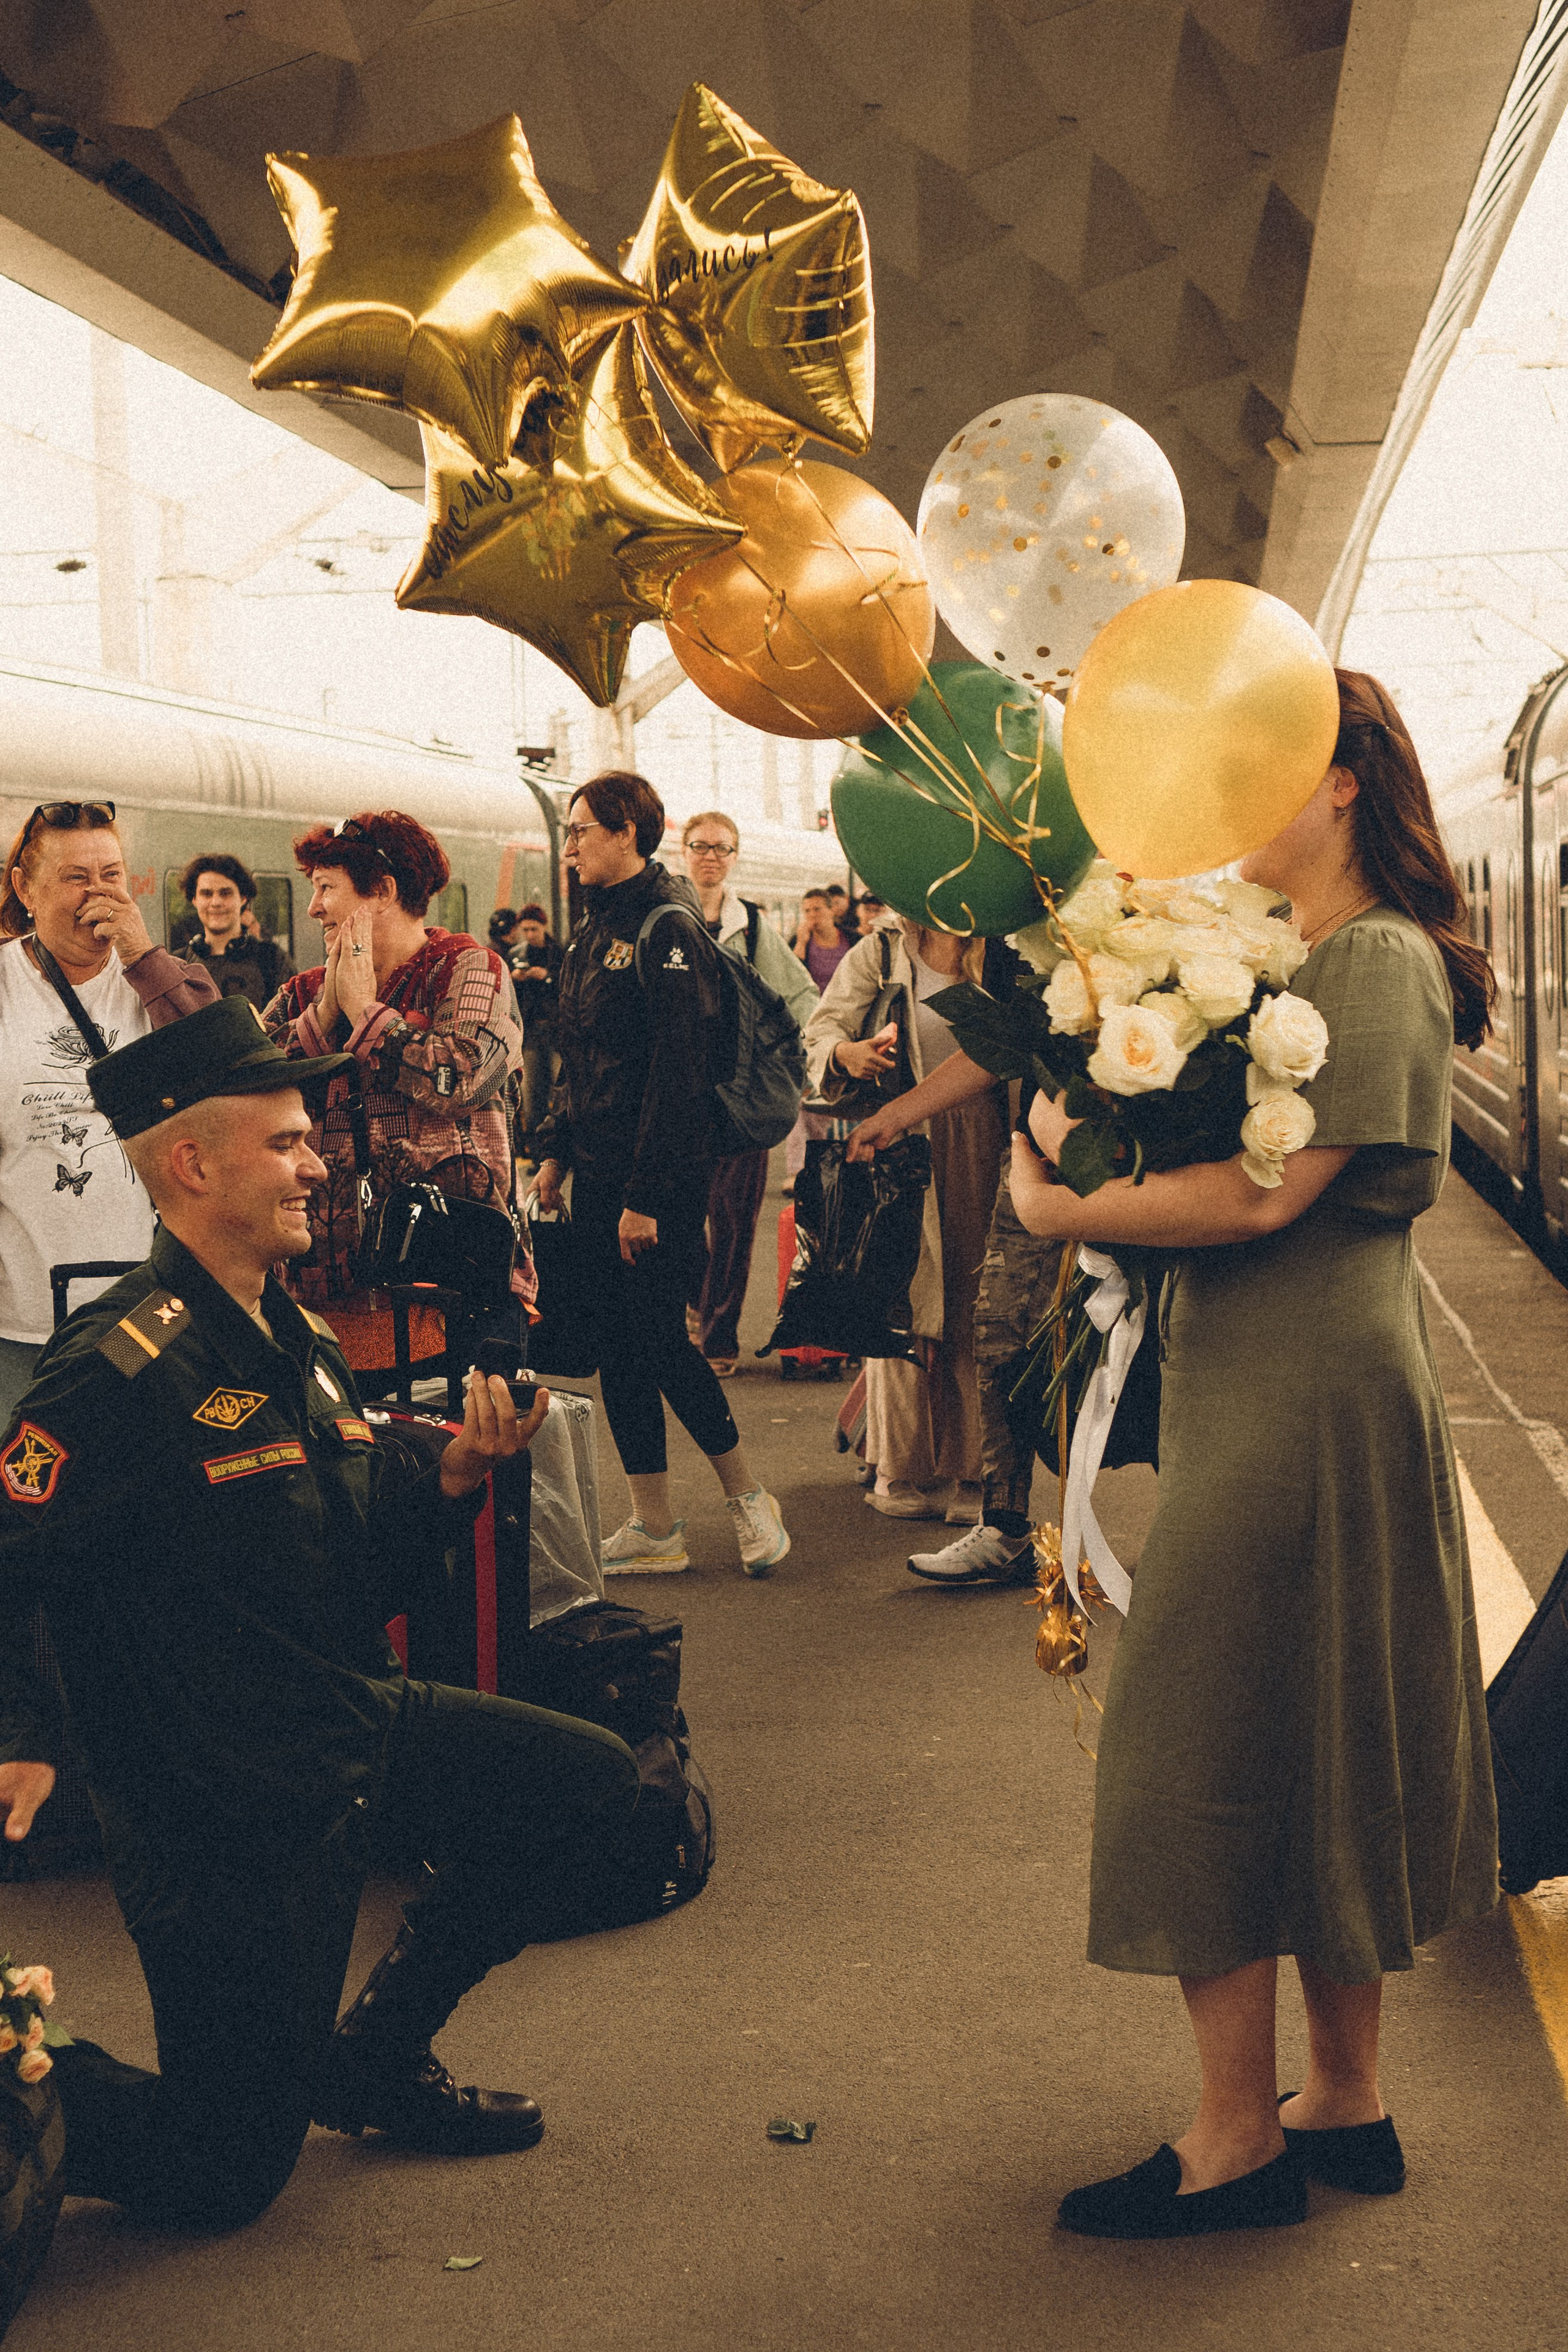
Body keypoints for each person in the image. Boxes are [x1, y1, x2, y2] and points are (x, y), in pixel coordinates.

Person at [0, 997, 639, 2232]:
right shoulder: (119, 1367)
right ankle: (27, 2066)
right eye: (288, 1143)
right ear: (193, 1164)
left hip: (342, 1727)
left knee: (588, 1787)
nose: (318, 1164)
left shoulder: (298, 1342)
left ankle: (374, 2057)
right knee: (220, 2177)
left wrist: (451, 1480)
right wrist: (20, 1729)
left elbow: (346, 1580)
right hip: (219, 1811)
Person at [1006, 670, 1498, 2239]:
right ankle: (1339, 2097)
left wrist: (1059, 1202)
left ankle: (1232, 2137)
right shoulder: (1315, 955)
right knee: (1320, 1720)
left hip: (1298, 1393)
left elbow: (1262, 1196)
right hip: (1294, 1383)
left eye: (1254, 770)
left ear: (1344, 782)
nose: (1221, 802)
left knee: (1200, 1738)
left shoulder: (1363, 961)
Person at [533, 771, 790, 1577]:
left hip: (661, 1182)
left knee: (661, 1342)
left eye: (581, 830)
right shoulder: (593, 927)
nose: (569, 844)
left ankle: (751, 1501)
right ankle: (653, 1525)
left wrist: (643, 1197)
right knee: (619, 1347)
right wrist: (554, 1150)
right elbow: (582, 1057)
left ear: (627, 834)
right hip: (603, 1175)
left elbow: (678, 1074)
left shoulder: (667, 929)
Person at [262, 811, 524, 1378]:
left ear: (382, 892)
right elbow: (245, 1094)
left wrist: (364, 1015)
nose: (314, 908)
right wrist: (325, 1012)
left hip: (451, 1292)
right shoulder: (303, 993)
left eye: (327, 888)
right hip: (320, 1304)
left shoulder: (471, 970)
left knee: (463, 1458)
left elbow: (459, 1079)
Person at [0, 801, 218, 1424]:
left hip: (151, 1313)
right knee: (28, 1497)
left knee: (130, 1489)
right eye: (75, 877)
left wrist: (142, 954)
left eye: (112, 875)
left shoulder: (164, 983)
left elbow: (221, 1078)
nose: (96, 894)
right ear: (25, 887)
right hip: (19, 1324)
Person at [805, 914, 1011, 1521]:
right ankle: (902, 1468)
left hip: (984, 1138)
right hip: (893, 1134)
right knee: (897, 1297)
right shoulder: (882, 950)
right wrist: (846, 1054)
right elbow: (821, 1032)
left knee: (978, 1300)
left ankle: (977, 1470)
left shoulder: (1005, 948)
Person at [848, 1045, 1063, 1582]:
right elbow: (994, 1046)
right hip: (1035, 1158)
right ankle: (1006, 1527)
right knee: (996, 1331)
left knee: (1161, 1345)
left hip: (1143, 1156)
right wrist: (897, 1114)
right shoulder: (1018, 960)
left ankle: (1192, 1532)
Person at [681, 813, 816, 1374]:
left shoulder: (755, 929)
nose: (711, 856)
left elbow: (802, 998)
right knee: (681, 1215)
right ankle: (693, 1305)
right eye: (700, 847)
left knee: (734, 1222)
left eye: (722, 848)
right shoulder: (667, 920)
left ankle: (718, 1335)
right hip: (679, 1095)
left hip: (741, 1102)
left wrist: (796, 1066)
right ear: (683, 853)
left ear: (735, 857)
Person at [178, 851, 294, 1010]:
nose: (216, 902)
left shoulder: (272, 960)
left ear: (243, 898)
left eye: (225, 893)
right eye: (207, 894)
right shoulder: (178, 965)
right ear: (194, 900)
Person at [511, 901, 564, 1164]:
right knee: (532, 1096)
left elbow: (568, 988)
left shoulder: (561, 953)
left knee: (560, 1092)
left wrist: (547, 976)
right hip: (531, 1034)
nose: (530, 935)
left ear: (544, 926)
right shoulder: (518, 954)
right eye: (525, 930)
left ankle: (561, 1155)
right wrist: (515, 978)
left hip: (555, 1032)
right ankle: (537, 1156)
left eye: (534, 929)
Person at [793, 887, 853, 990]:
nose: (812, 915)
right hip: (813, 1003)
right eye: (807, 911)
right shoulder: (799, 940)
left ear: (831, 910)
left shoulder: (851, 938)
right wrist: (801, 944)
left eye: (817, 909)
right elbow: (793, 977)